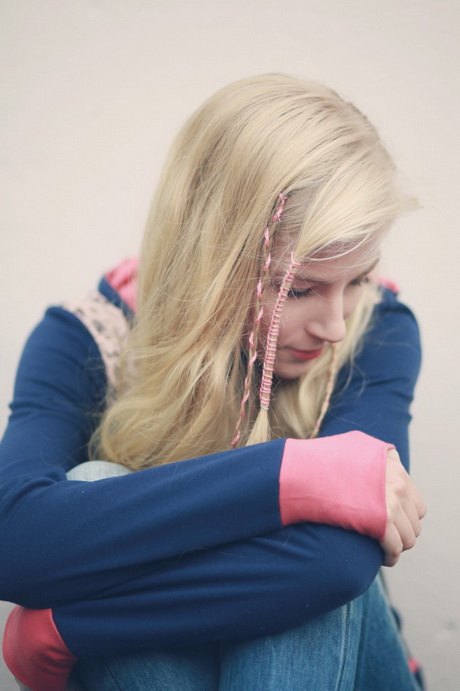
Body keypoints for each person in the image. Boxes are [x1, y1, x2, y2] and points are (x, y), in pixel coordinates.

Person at [0, 74, 426, 690]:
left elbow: (333, 566)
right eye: (298, 289)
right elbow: (15, 541)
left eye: (357, 278)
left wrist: (66, 627)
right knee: (96, 479)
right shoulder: (91, 334)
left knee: (311, 576)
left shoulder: (378, 328)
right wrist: (300, 475)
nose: (335, 324)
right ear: (215, 254)